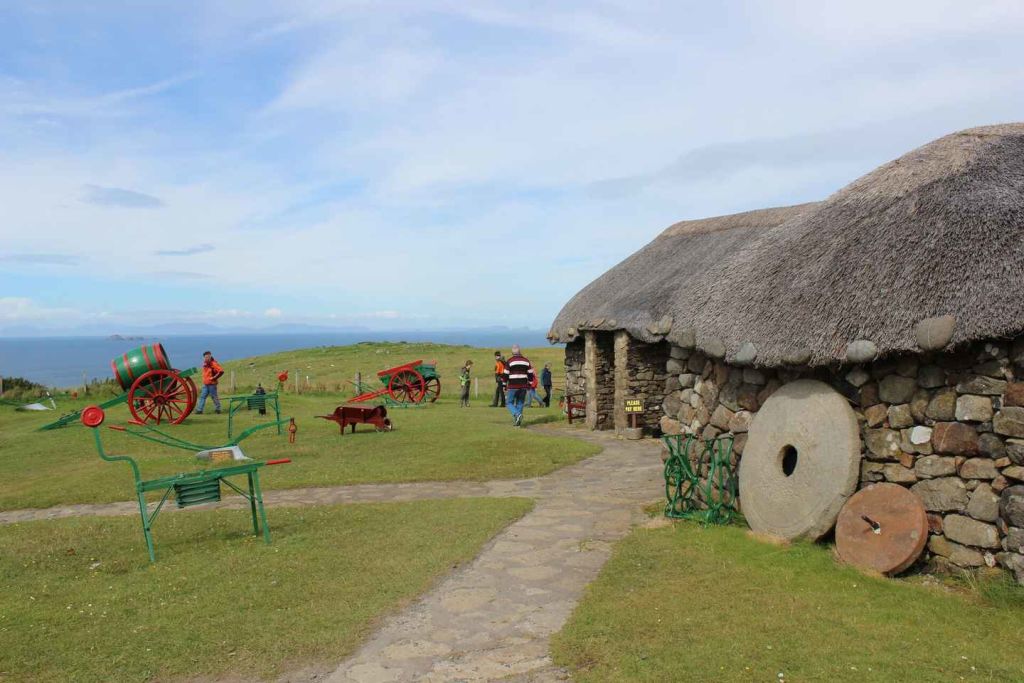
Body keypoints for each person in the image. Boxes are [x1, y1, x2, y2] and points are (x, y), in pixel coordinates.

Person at [503, 344, 535, 427]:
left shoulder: (509, 361)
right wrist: (530, 383)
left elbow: (505, 374)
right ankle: (518, 422)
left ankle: (517, 414)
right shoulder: (526, 361)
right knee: (520, 403)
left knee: (509, 402)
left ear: (512, 352)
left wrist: (504, 385)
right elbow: (530, 374)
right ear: (520, 351)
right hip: (523, 386)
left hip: (513, 385)